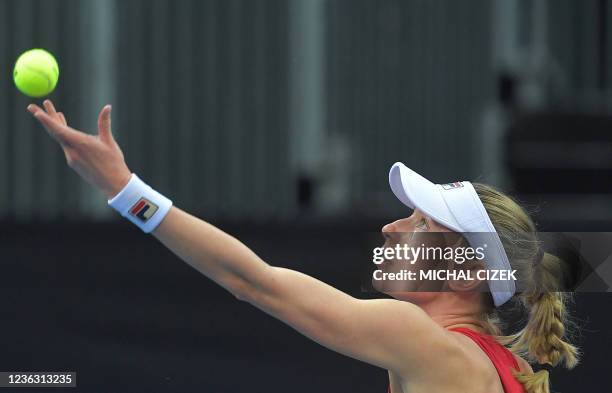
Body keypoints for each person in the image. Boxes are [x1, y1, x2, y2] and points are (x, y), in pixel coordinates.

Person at [28, 100, 579, 393]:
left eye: (419, 225)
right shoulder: (495, 364)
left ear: (465, 273)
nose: (390, 230)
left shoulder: (418, 337)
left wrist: (127, 192)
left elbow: (252, 281)